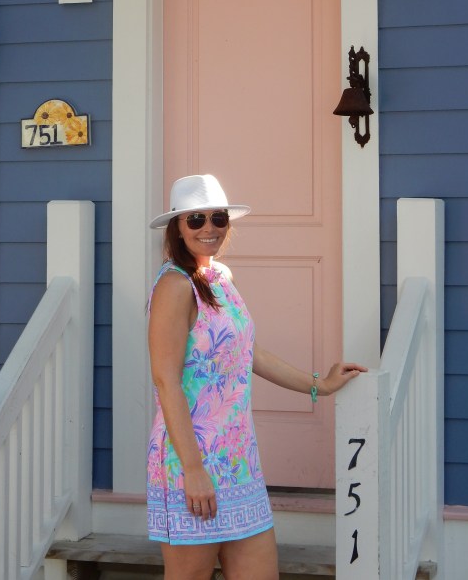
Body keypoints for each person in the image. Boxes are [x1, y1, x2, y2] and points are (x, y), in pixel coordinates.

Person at [146, 174, 367, 580]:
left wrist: (319, 384)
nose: (208, 227)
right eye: (195, 219)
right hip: (190, 460)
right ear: (178, 227)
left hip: (238, 462)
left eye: (218, 218)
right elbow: (166, 381)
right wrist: (194, 469)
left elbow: (249, 353)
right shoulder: (174, 287)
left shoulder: (220, 280)